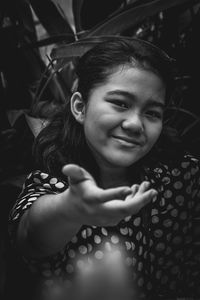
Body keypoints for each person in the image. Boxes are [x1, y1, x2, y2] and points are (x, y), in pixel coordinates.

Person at [8, 37, 200, 299]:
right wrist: (71, 209)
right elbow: (31, 236)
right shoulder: (54, 185)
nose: (135, 123)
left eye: (152, 113)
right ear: (80, 107)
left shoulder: (181, 177)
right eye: (120, 103)